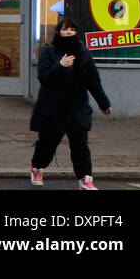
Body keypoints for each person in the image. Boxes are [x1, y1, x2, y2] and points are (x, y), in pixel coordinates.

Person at [30, 17, 111, 190]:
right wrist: (60, 65)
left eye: (72, 30)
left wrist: (103, 103)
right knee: (47, 144)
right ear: (59, 31)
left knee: (80, 145)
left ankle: (85, 178)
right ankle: (37, 167)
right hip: (54, 108)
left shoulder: (83, 52)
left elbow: (93, 81)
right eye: (65, 29)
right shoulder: (49, 52)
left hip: (77, 107)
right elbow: (44, 78)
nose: (68, 32)